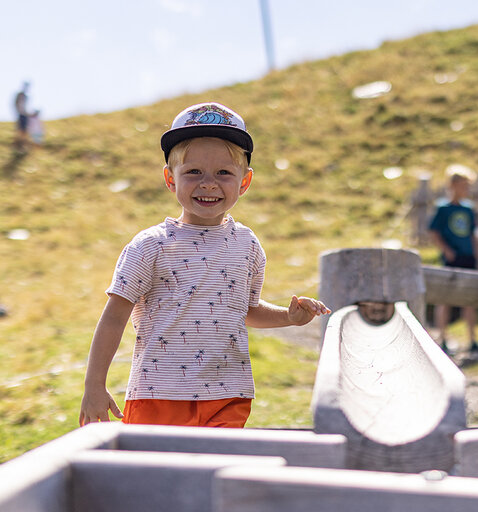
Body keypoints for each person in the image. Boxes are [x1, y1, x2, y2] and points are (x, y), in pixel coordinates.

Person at [79, 102, 330, 428]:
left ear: (244, 182)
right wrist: (94, 385)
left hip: (229, 393)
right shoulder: (150, 245)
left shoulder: (247, 245)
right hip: (158, 394)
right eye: (193, 172)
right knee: (157, 463)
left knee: (215, 461)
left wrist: (289, 317)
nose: (209, 183)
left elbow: (246, 310)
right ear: (170, 179)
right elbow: (114, 317)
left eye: (223, 173)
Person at [429, 164, 478, 354]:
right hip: (451, 258)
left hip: (468, 257)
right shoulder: (443, 208)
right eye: (463, 185)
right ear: (453, 185)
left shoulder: (469, 209)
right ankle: (442, 337)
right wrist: (447, 250)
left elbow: (472, 233)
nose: (466, 189)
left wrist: (476, 253)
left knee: (469, 299)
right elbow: (434, 232)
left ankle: (472, 339)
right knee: (445, 298)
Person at [13, 82, 32, 149]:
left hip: (25, 114)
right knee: (20, 129)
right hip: (21, 114)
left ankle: (23, 144)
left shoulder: (26, 96)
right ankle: (18, 144)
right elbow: (16, 104)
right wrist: (18, 111)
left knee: (25, 130)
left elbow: (26, 106)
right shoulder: (20, 95)